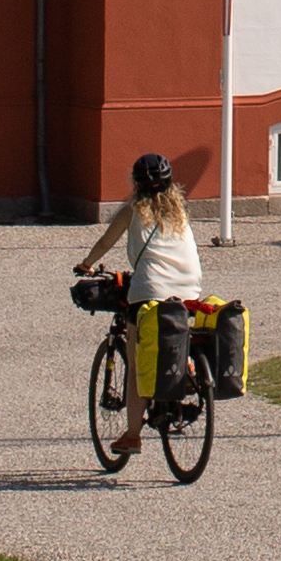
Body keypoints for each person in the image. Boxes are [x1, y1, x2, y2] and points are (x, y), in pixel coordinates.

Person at [77, 148, 208, 464]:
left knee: (136, 367)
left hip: (150, 289)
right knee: (175, 333)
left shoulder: (132, 210)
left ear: (135, 183)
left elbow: (105, 242)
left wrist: (86, 264)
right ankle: (188, 369)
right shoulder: (181, 211)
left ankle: (133, 434)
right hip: (190, 289)